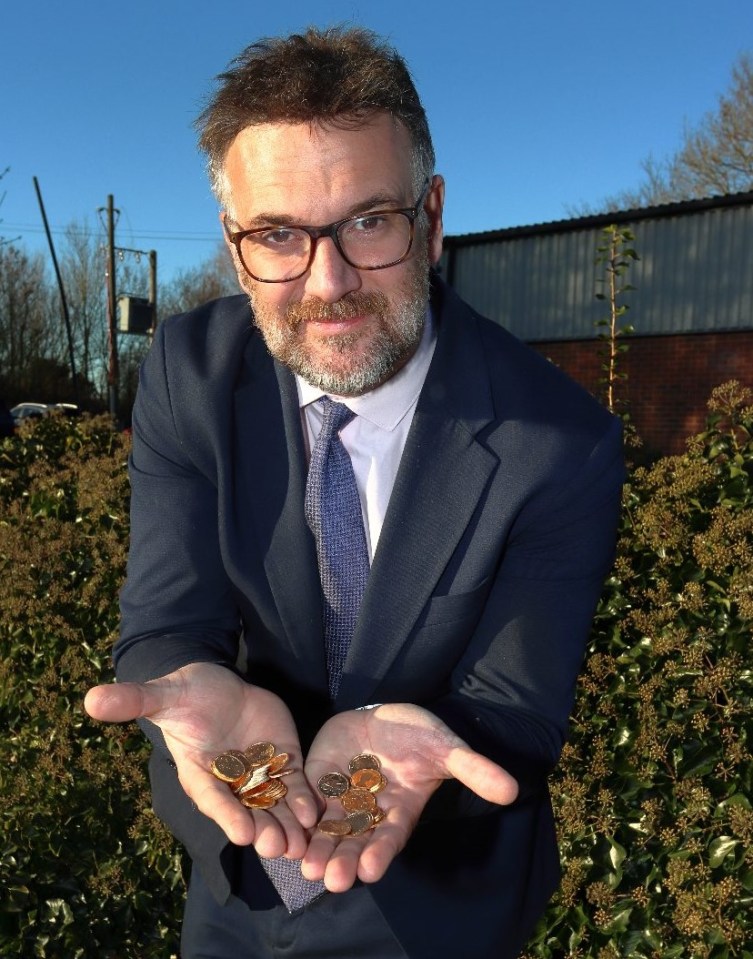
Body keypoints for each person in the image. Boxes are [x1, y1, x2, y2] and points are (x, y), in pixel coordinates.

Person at [84, 26, 624, 959]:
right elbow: (170, 613)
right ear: (234, 241)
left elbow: (517, 706)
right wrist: (187, 676)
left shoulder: (563, 442)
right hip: (237, 883)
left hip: (439, 905)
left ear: (433, 217)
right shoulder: (184, 371)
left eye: (369, 221)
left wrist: (424, 743)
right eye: (279, 234)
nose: (327, 284)